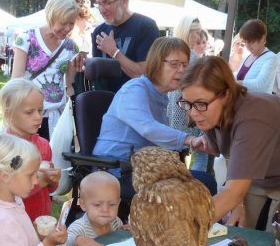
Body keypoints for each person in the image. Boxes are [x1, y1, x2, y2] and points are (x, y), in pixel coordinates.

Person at [179, 56, 280, 246]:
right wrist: (237, 203)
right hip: (262, 174)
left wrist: (183, 230)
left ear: (226, 94)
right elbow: (234, 158)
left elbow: (233, 191)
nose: (193, 113)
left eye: (200, 104)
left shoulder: (253, 118)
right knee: (241, 236)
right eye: (186, 104)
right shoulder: (208, 111)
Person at [92, 37, 216, 216]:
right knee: (195, 187)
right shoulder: (134, 89)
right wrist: (190, 140)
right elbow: (148, 128)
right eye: (174, 64)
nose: (181, 70)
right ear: (157, 63)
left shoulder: (160, 97)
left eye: (184, 65)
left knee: (205, 182)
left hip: (143, 170)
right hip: (116, 172)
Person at [12, 0, 79, 139]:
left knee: (53, 159)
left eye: (71, 23)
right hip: (29, 115)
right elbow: (15, 82)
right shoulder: (27, 39)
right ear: (51, 16)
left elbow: (70, 86)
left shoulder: (71, 47)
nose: (67, 28)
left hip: (57, 116)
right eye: (63, 23)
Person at [0, 78, 60, 222]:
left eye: (40, 110)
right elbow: (9, 191)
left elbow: (50, 190)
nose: (38, 117)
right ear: (9, 114)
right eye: (29, 112)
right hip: (16, 222)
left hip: (42, 219)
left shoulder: (44, 145)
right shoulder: (6, 149)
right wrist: (43, 180)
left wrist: (53, 180)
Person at [166, 16, 210, 174]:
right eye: (196, 32)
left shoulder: (175, 52)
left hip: (175, 107)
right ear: (188, 32)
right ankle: (196, 185)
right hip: (187, 109)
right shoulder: (190, 55)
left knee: (177, 153)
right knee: (199, 152)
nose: (198, 36)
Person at [90, 0, 159, 92]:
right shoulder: (99, 31)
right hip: (105, 102)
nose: (102, 10)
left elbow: (142, 74)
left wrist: (114, 52)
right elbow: (97, 75)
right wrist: (83, 63)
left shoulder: (146, 26)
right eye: (99, 4)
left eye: (107, 3)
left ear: (124, 1)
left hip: (135, 101)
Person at [53, 171, 124, 246]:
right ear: (83, 204)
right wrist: (77, 241)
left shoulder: (116, 222)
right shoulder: (78, 229)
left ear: (118, 203)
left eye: (112, 204)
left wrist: (124, 232)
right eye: (97, 205)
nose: (105, 210)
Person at [235, 19, 277, 94]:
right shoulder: (246, 57)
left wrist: (234, 84)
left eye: (251, 42)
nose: (247, 46)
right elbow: (238, 76)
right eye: (245, 42)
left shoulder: (271, 58)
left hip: (259, 104)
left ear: (262, 38)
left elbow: (261, 85)